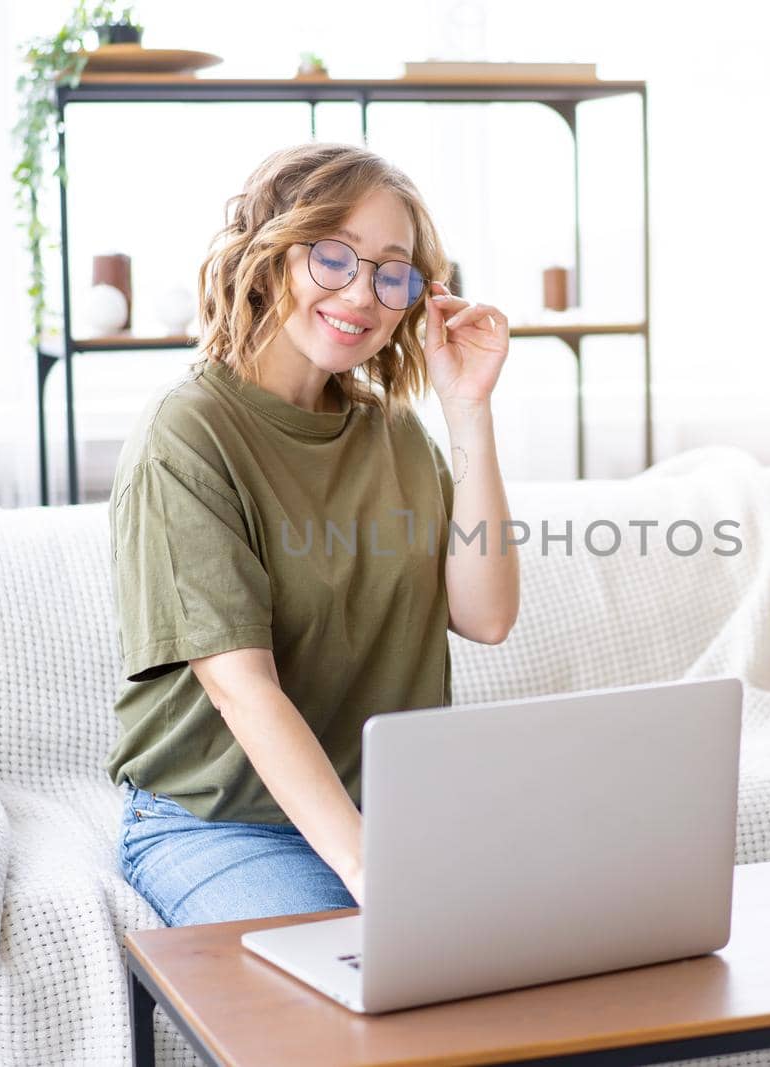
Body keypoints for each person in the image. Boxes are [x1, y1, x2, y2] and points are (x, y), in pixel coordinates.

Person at [105, 142, 519, 926]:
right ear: (268, 258)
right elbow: (242, 685)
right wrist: (369, 867)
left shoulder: (394, 433)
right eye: (333, 257)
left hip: (388, 812)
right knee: (347, 1006)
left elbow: (486, 614)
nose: (362, 293)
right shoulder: (187, 433)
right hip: (223, 822)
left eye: (390, 272)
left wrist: (469, 410)